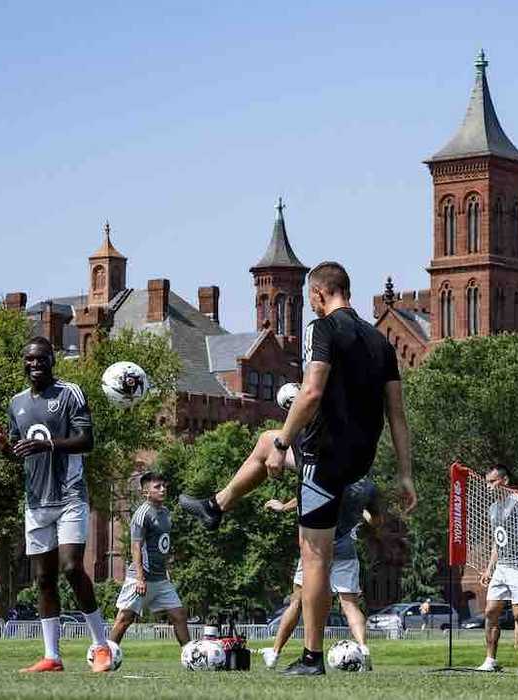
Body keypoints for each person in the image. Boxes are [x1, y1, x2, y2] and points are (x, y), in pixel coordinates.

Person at [180, 262, 416, 676]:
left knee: (314, 558)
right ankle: (216, 506)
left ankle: (311, 658)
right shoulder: (381, 342)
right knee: (264, 441)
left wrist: (286, 443)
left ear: (320, 294)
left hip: (323, 458)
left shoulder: (322, 329)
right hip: (357, 457)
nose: (311, 303)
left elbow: (310, 392)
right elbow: (397, 414)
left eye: (311, 297)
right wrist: (405, 474)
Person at [0, 336, 114, 672]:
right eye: (29, 359)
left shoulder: (70, 393)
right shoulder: (16, 403)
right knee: (43, 578)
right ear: (23, 363)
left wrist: (48, 446)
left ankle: (101, 646)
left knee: (71, 567)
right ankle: (52, 657)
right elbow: (23, 452)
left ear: (52, 360)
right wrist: (4, 447)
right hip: (36, 500)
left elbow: (87, 441)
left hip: (70, 495)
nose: (34, 364)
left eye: (41, 358)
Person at [261, 476, 380, 672]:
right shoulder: (366, 486)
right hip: (346, 550)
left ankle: (274, 653)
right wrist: (364, 515)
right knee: (349, 604)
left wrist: (282, 507)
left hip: (316, 548)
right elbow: (376, 521)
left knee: (297, 601)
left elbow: (303, 498)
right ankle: (363, 647)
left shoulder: (330, 471)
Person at [108, 471, 190, 649]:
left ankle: (190, 654)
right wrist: (139, 578)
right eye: (157, 487)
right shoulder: (142, 514)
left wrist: (167, 568)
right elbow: (136, 547)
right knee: (124, 619)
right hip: (141, 578)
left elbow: (163, 544)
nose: (163, 489)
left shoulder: (166, 512)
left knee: (179, 615)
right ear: (146, 492)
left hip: (161, 579)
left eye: (164, 486)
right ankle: (105, 655)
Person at [477, 464, 518, 674]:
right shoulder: (493, 509)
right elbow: (499, 541)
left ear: (504, 481)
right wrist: (489, 568)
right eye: (486, 482)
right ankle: (490, 660)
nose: (488, 487)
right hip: (502, 567)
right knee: (490, 611)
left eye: (492, 481)